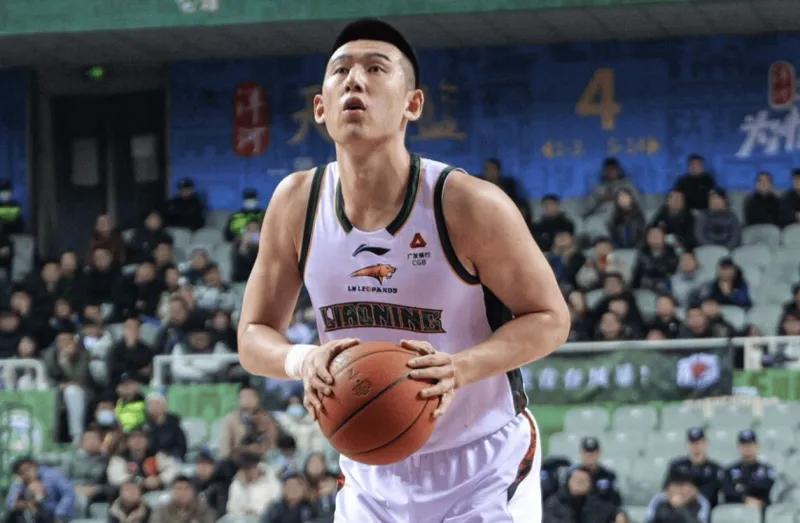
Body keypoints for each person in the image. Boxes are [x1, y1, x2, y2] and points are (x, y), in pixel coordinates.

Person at [237, 18, 570, 522]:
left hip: (482, 463)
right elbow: (253, 335)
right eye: (341, 71)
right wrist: (303, 361)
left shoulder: (467, 204)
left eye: (376, 69)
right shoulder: (296, 203)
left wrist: (459, 368)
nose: (355, 79)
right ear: (320, 108)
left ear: (413, 104)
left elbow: (550, 319)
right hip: (368, 466)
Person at [42, 327, 91, 444]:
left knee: (72, 391)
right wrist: (58, 385)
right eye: (60, 341)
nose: (63, 344)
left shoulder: (83, 355)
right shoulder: (48, 355)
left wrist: (65, 362)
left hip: (81, 391)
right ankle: (47, 436)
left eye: (67, 341)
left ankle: (77, 436)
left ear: (74, 341)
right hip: (57, 388)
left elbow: (80, 378)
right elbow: (46, 377)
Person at [107, 428, 180, 493]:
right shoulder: (119, 458)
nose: (137, 440)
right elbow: (115, 478)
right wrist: (141, 482)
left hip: (155, 493)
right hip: (129, 496)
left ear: (148, 441)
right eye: (133, 437)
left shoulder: (156, 455)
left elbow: (174, 468)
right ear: (127, 442)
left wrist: (159, 479)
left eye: (141, 437)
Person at [5, 457, 75, 523]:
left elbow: (68, 494)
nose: (26, 474)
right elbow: (10, 503)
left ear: (35, 466)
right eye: (21, 473)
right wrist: (28, 503)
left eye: (27, 469)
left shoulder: (53, 475)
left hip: (58, 514)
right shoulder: (20, 481)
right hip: (36, 516)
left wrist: (59, 514)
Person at [666, 428, 722, 508]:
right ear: (687, 444)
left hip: (704, 509)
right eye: (692, 443)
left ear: (706, 444)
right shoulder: (676, 466)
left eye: (699, 443)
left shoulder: (715, 469)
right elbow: (667, 488)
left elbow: (710, 494)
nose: (696, 447)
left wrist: (685, 497)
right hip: (677, 508)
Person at [542, 467, 619, 523]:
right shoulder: (554, 503)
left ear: (590, 485)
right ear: (568, 482)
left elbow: (611, 511)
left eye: (583, 480)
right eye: (576, 479)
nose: (579, 482)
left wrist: (619, 515)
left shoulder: (596, 503)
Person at [722, 430, 776, 509]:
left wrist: (743, 490)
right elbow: (727, 491)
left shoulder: (767, 470)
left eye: (750, 445)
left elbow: (769, 491)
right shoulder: (729, 471)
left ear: (757, 446)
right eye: (744, 446)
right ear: (739, 447)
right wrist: (744, 499)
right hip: (736, 511)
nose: (747, 449)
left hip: (762, 509)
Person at [226, 450, 282, 517]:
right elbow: (232, 509)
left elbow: (276, 502)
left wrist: (259, 513)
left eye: (253, 468)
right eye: (246, 470)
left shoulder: (271, 481)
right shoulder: (236, 485)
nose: (251, 473)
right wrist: (244, 487)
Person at [67, 425, 110, 510]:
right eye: (88, 439)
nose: (91, 442)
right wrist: (74, 488)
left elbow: (110, 484)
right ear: (81, 443)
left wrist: (96, 489)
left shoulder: (107, 460)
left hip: (97, 495)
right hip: (73, 491)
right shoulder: (71, 459)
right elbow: (62, 479)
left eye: (95, 438)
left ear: (101, 442)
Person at [646, 468, 710, 523]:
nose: (679, 490)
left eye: (683, 485)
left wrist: (680, 509)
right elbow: (650, 520)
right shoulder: (659, 502)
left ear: (694, 490)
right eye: (676, 485)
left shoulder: (701, 504)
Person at [482, 157, 532, 227]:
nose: (489, 172)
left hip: (506, 215)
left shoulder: (508, 185)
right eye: (487, 169)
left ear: (498, 171)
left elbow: (516, 201)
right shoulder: (481, 186)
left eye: (492, 169)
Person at [108, 315, 154, 388]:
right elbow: (115, 373)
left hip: (141, 386)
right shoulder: (115, 350)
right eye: (130, 328)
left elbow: (149, 371)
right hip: (120, 386)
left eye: (136, 328)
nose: (133, 331)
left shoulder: (147, 350)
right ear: (124, 330)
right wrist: (137, 372)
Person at [218, 384, 263, 458]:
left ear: (257, 399)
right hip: (237, 460)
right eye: (244, 397)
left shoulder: (265, 419)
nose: (248, 399)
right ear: (238, 400)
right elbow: (224, 447)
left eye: (250, 396)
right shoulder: (230, 420)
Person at [577, 437, 622, 507]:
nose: (590, 455)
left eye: (593, 452)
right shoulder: (573, 476)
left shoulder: (608, 475)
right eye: (586, 452)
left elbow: (616, 500)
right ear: (581, 453)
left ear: (599, 453)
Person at [151, 475, 215, 523]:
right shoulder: (162, 510)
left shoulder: (202, 509)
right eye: (178, 489)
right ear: (171, 491)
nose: (182, 493)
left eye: (186, 488)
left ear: (193, 491)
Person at [633, 226, 678, 293]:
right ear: (647, 238)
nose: (655, 237)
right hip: (646, 288)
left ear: (663, 237)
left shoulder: (671, 251)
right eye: (652, 235)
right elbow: (637, 273)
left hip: (667, 287)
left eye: (657, 234)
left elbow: (671, 270)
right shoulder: (643, 252)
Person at [144, 391, 187, 461]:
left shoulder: (174, 425)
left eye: (157, 403)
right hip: (149, 460)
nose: (154, 407)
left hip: (170, 458)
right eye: (151, 404)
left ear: (165, 406)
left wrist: (169, 456)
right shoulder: (144, 425)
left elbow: (181, 447)